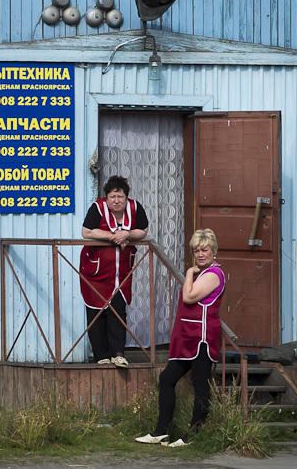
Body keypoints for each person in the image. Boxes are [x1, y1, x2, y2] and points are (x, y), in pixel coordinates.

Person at [136, 228, 225, 447]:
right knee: (167, 379)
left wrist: (187, 273)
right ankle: (161, 432)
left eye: (204, 250)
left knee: (200, 385)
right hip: (187, 338)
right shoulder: (201, 273)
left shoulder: (214, 274)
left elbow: (189, 296)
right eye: (196, 250)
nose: (200, 254)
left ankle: (193, 435)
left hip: (202, 338)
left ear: (213, 250)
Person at [80, 175, 149, 368]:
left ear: (126, 197)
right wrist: (112, 236)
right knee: (96, 311)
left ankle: (118, 354)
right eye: (112, 196)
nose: (116, 201)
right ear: (106, 198)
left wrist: (127, 234)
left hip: (122, 270)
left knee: (118, 310)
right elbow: (86, 231)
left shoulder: (135, 208)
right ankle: (100, 356)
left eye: (120, 196)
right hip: (96, 272)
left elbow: (143, 230)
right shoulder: (97, 208)